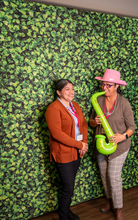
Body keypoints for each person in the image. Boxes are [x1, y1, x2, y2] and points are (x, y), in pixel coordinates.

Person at [89, 69, 135, 220]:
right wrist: (94, 122)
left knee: (113, 177)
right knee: (104, 175)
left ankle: (119, 209)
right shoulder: (99, 100)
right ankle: (110, 202)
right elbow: (90, 122)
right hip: (101, 144)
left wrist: (123, 136)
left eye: (108, 85)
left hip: (119, 146)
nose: (104, 88)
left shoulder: (124, 103)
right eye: (103, 84)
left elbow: (132, 127)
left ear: (116, 86)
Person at [45, 79, 88, 220]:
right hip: (62, 153)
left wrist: (84, 143)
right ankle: (63, 216)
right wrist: (79, 145)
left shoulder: (75, 105)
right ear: (58, 92)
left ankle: (66, 210)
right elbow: (57, 134)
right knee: (67, 187)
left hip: (76, 151)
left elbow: (83, 125)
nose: (71, 92)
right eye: (67, 89)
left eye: (72, 89)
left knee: (70, 186)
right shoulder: (53, 108)